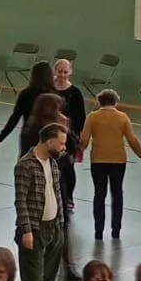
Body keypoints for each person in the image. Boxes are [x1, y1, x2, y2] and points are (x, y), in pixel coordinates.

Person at [14, 121, 69, 281]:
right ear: (49, 141)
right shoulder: (25, 165)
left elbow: (56, 194)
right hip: (35, 232)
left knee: (47, 280)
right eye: (61, 143)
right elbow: (20, 200)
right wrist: (27, 230)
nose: (63, 147)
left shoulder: (53, 163)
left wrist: (60, 225)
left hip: (54, 228)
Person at [79, 89, 141, 239]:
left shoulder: (92, 117)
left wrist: (77, 153)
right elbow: (132, 139)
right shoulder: (122, 117)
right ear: (115, 102)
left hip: (98, 160)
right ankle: (116, 229)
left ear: (99, 102)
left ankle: (98, 230)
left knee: (99, 194)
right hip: (118, 161)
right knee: (117, 193)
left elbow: (84, 140)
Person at [52, 58, 87, 221]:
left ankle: (68, 198)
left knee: (68, 167)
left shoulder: (75, 93)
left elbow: (81, 117)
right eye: (60, 71)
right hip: (50, 135)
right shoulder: (48, 89)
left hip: (68, 136)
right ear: (55, 71)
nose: (62, 75)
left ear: (70, 72)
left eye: (65, 72)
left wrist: (77, 138)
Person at [0, 59, 56, 155]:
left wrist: (2, 136)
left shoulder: (25, 94)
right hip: (47, 137)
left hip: (28, 135)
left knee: (25, 161)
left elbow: (15, 117)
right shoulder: (54, 96)